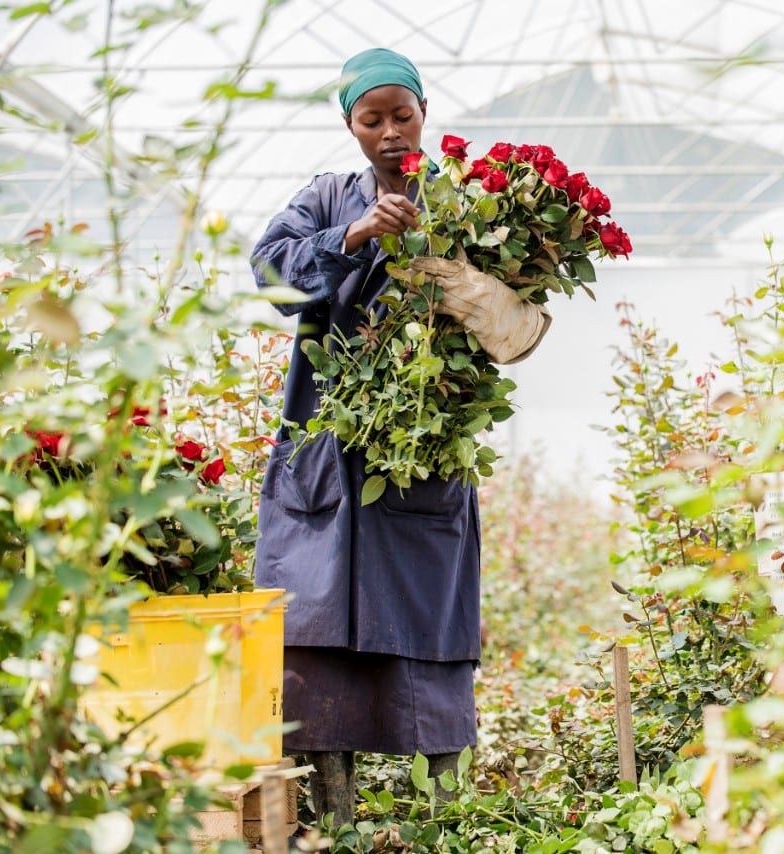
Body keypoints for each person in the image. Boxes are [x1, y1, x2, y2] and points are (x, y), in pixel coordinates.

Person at [249, 47, 551, 827]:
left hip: (419, 451)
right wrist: (350, 235)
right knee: (316, 626)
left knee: (428, 620)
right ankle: (338, 816)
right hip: (324, 452)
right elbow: (273, 277)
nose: (389, 131)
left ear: (424, 114)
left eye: (401, 114)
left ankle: (447, 818)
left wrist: (457, 277)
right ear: (349, 125)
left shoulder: (466, 205)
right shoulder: (324, 198)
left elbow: (513, 323)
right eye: (370, 118)